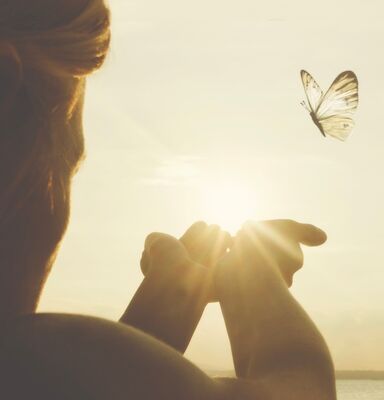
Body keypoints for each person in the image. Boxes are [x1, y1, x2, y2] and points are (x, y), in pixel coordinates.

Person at [0, 1, 337, 398]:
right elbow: (304, 388)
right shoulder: (35, 358)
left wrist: (172, 300)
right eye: (65, 169)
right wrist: (257, 280)